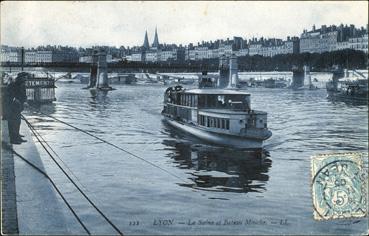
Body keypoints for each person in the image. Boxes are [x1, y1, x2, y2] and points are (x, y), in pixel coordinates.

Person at [6, 72, 28, 144]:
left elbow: (24, 95)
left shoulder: (22, 85)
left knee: (18, 122)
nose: (26, 79)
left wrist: (25, 101)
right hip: (12, 107)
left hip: (18, 107)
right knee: (12, 122)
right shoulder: (12, 84)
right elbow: (9, 95)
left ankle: (17, 136)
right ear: (20, 78)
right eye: (24, 78)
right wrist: (15, 100)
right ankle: (13, 139)